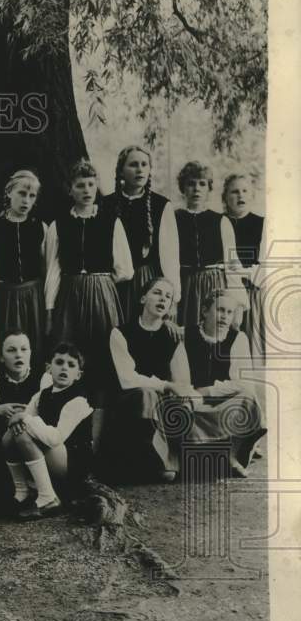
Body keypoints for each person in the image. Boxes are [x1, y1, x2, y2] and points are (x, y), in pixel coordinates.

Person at [45, 159, 133, 427]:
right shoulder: (58, 224)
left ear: (97, 187)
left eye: (91, 185)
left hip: (101, 295)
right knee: (69, 355)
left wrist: (100, 283)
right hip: (69, 297)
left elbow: (125, 268)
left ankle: (103, 433)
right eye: (79, 185)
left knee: (104, 358)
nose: (86, 190)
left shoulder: (110, 221)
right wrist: (50, 309)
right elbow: (53, 269)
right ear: (70, 189)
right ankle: (67, 425)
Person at [106, 278, 194, 483]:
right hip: (131, 401)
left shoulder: (173, 337)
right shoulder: (120, 333)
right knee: (146, 395)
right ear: (143, 298)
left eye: (168, 297)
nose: (163, 299)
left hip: (162, 402)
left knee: (184, 402)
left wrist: (176, 391)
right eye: (157, 293)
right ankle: (152, 462)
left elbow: (182, 381)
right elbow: (127, 379)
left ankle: (171, 460)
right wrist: (165, 385)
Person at [2, 343, 94, 520]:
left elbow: (55, 438)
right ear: (49, 368)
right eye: (59, 362)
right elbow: (25, 417)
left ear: (78, 375)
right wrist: (19, 420)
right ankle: (22, 491)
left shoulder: (78, 400)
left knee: (22, 433)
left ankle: (48, 498)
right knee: (10, 435)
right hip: (54, 454)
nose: (64, 368)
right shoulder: (42, 394)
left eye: (71, 365)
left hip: (73, 461)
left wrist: (24, 419)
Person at [183, 290, 266, 477]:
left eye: (229, 312)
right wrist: (194, 393)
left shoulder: (238, 338)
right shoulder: (185, 334)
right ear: (205, 311)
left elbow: (244, 383)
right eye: (220, 310)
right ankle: (199, 457)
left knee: (248, 398)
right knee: (179, 406)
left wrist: (209, 390)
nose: (224, 317)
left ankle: (230, 454)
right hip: (193, 400)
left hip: (222, 400)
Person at [100, 146, 180, 324]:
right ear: (121, 171)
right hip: (115, 282)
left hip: (147, 281)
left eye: (144, 164)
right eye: (133, 165)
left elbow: (171, 256)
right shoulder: (106, 204)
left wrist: (173, 296)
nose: (139, 169)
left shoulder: (161, 206)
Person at [0, 170, 49, 364]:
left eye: (32, 196)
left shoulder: (40, 227)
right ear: (9, 192)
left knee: (33, 348)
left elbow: (47, 268)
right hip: (5, 298)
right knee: (8, 347)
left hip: (34, 298)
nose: (26, 200)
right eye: (22, 194)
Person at [173, 161, 248, 342]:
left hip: (215, 284)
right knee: (189, 335)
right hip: (187, 286)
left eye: (202, 184)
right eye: (191, 184)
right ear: (183, 188)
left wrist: (237, 303)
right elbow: (169, 259)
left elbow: (232, 265)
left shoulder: (221, 221)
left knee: (215, 334)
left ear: (209, 188)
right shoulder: (174, 218)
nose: (196, 189)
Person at [0, 331, 47, 510]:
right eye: (11, 350)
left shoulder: (43, 380)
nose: (19, 355)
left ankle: (40, 490)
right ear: (1, 357)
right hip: (4, 455)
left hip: (36, 445)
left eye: (24, 349)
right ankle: (15, 492)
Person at [222, 173, 265, 361]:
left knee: (250, 346)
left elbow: (267, 266)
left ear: (252, 195)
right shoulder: (218, 223)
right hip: (224, 290)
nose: (240, 196)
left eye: (245, 191)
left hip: (252, 291)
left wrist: (244, 273)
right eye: (234, 191)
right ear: (225, 197)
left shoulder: (262, 224)